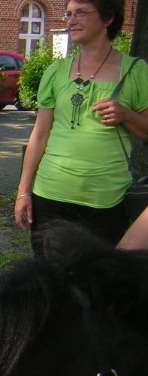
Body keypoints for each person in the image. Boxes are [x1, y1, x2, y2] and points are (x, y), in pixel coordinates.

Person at [14, 0, 148, 257]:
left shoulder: (135, 71)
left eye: (82, 13)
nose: (71, 20)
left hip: (106, 201)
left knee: (98, 286)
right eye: (69, 14)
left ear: (108, 19)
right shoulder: (55, 72)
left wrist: (126, 115)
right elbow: (39, 135)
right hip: (50, 195)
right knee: (51, 284)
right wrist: (23, 192)